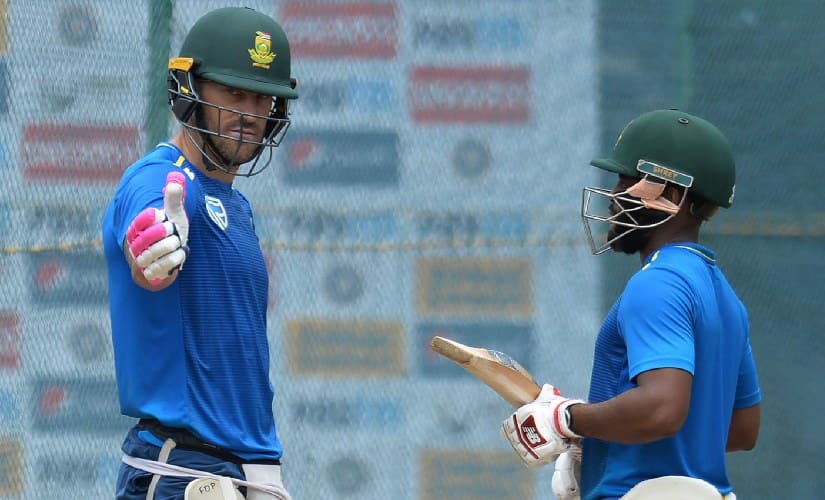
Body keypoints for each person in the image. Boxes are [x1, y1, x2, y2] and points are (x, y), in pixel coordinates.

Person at [501, 109, 761, 500]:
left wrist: (567, 419)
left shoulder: (657, 283)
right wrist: (607, 438)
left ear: (671, 195)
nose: (612, 198)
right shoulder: (725, 296)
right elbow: (741, 429)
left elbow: (661, 409)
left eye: (626, 181)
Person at [102, 7, 298, 499]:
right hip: (177, 471)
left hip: (235, 471)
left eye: (262, 98)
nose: (250, 113)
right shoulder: (163, 181)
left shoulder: (237, 205)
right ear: (188, 89)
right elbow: (146, 229)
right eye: (233, 93)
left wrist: (261, 465)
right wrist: (152, 247)